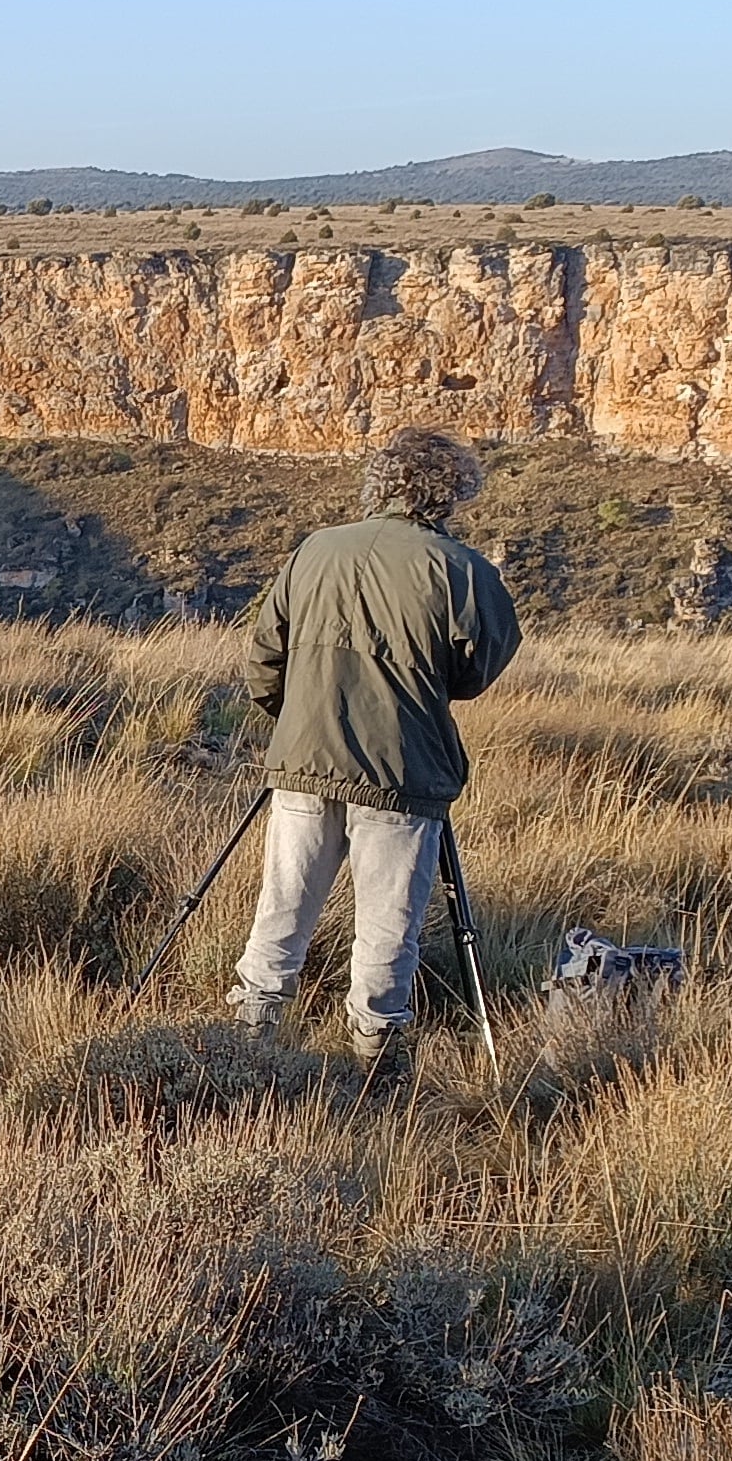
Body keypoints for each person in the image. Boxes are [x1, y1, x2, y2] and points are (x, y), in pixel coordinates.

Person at [230, 427, 523, 1078]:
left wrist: (298, 719)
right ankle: (376, 1061)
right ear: (449, 493)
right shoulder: (462, 570)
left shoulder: (315, 551)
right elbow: (480, 671)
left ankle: (248, 1041)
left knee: (281, 911)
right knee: (388, 927)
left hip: (303, 764)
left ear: (380, 482)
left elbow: (263, 659)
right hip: (402, 773)